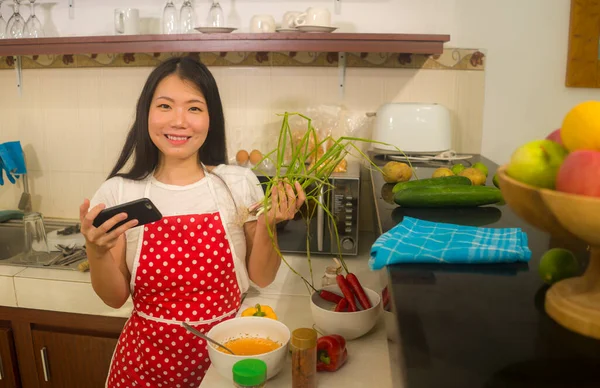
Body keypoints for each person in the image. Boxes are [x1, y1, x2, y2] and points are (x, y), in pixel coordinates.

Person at [79, 56, 306, 388]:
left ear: (211, 117)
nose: (179, 121)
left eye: (194, 108)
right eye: (165, 106)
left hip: (228, 360)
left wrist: (269, 224)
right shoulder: (118, 192)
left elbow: (262, 275)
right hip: (144, 367)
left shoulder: (237, 183)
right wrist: (96, 252)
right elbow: (114, 298)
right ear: (146, 114)